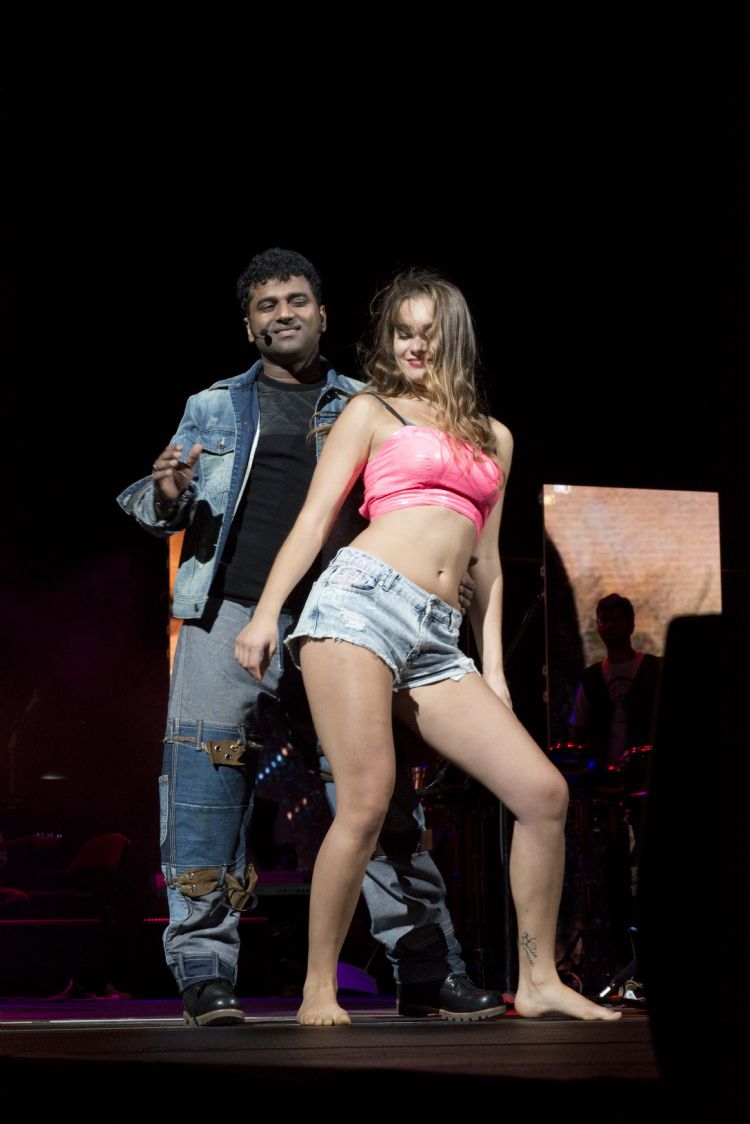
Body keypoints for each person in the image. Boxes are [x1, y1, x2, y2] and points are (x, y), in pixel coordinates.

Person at [117, 248, 504, 1025]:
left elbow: (422, 501)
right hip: (228, 609)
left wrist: (445, 573)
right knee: (203, 784)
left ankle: (426, 963)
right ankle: (205, 972)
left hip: (345, 614)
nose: (283, 313)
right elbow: (155, 502)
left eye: (296, 300)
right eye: (266, 305)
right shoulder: (212, 406)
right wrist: (167, 492)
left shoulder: (372, 403)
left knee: (375, 791)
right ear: (248, 325)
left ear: (323, 315)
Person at [235, 267, 622, 1025]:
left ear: (456, 340)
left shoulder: (494, 437)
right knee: (366, 801)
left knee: (544, 795)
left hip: (440, 640)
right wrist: (267, 613)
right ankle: (318, 987)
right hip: (359, 607)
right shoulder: (371, 411)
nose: (415, 346)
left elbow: (488, 563)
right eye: (403, 332)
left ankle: (538, 979)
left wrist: (495, 669)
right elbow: (314, 520)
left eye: (429, 333)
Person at [566, 592, 662, 983]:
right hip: (608, 790)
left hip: (647, 783)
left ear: (631, 623)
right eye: (603, 618)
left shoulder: (653, 669)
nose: (610, 625)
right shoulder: (592, 677)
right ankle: (623, 960)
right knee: (614, 874)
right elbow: (577, 732)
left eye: (617, 617)